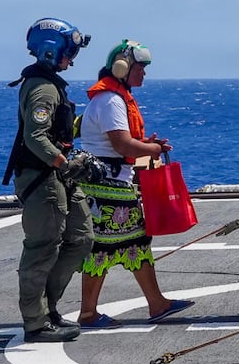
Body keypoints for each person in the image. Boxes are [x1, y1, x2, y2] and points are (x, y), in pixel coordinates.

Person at [75, 39, 194, 328]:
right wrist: (152, 149)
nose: (144, 72)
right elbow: (122, 145)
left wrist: (145, 144)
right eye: (139, 67)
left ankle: (156, 303)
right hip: (108, 188)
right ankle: (88, 313)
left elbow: (123, 142)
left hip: (110, 185)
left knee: (135, 244)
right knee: (102, 249)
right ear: (122, 67)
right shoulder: (111, 101)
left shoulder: (112, 97)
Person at [3, 17, 94, 343]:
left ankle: (48, 309)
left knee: (81, 238)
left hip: (57, 176)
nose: (72, 59)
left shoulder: (51, 85)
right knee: (42, 248)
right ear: (51, 51)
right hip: (43, 179)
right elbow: (35, 136)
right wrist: (64, 163)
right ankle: (36, 322)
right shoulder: (43, 88)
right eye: (69, 52)